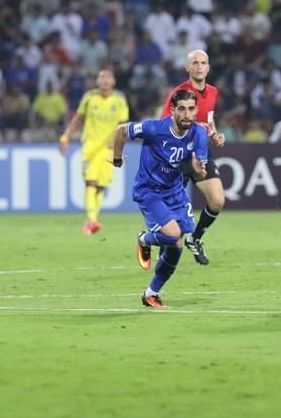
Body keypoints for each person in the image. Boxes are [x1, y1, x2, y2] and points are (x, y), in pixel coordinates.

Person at [110, 90, 209, 309]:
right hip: (149, 191)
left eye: (191, 109)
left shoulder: (199, 134)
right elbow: (120, 131)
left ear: (196, 111)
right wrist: (117, 159)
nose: (186, 114)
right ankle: (145, 239)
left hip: (174, 191)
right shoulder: (155, 128)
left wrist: (197, 171)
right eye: (181, 109)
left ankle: (151, 294)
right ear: (173, 110)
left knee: (177, 244)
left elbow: (201, 173)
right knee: (173, 235)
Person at [159, 49, 225, 265]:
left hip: (201, 152)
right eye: (194, 63)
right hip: (179, 156)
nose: (199, 66)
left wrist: (214, 133)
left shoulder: (213, 92)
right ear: (187, 67)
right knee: (172, 217)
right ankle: (158, 250)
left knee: (217, 200)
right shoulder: (179, 93)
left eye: (203, 62)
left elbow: (209, 118)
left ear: (208, 67)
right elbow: (163, 124)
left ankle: (195, 238)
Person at [59, 68, 129, 234]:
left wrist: (117, 139)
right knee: (90, 182)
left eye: (108, 77)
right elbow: (78, 119)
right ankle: (92, 220)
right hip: (90, 146)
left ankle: (91, 221)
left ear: (113, 81)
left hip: (108, 148)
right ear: (97, 81)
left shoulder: (119, 100)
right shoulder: (89, 97)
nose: (105, 80)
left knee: (100, 186)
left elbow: (124, 123)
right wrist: (65, 137)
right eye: (101, 77)